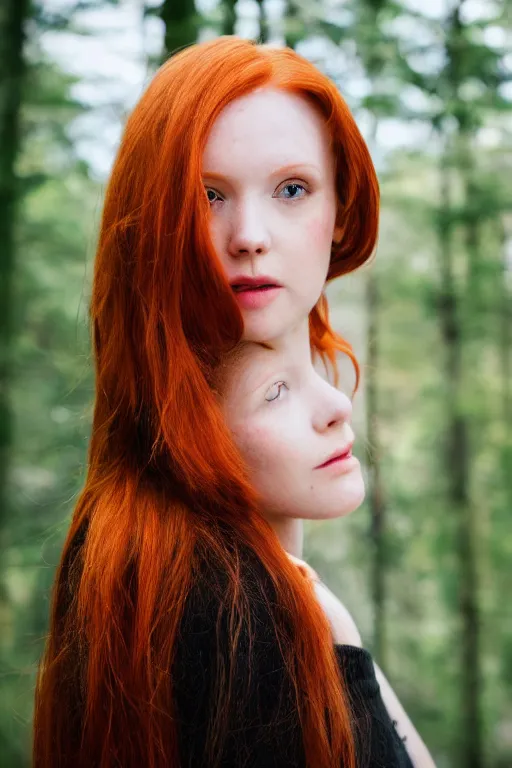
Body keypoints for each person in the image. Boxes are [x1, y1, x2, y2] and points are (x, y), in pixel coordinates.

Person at [32, 35, 434, 768]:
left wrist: (335, 631)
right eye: (206, 196)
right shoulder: (224, 610)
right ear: (156, 219)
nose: (248, 237)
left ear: (340, 211)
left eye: (291, 189)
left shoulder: (244, 574)